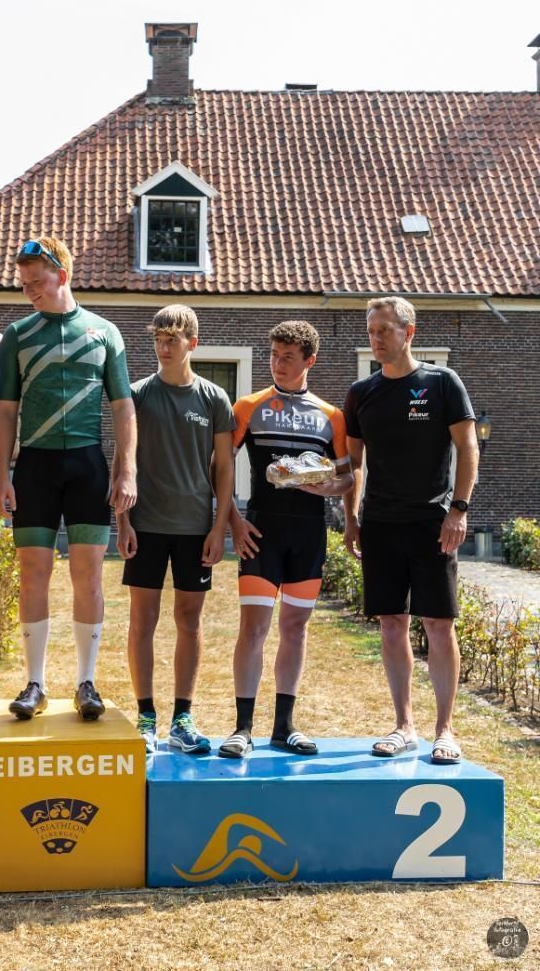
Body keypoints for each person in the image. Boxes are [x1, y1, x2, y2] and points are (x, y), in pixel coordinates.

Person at [0, 237, 137, 722]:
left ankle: (86, 681)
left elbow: (123, 406)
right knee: (34, 571)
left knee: (89, 574)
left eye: (38, 281)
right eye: (25, 284)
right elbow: (7, 410)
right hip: (34, 464)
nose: (30, 290)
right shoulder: (17, 334)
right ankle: (34, 682)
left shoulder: (104, 332)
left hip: (87, 464)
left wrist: (127, 469)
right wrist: (3, 474)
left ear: (63, 275)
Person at [343, 296, 477, 764]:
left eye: (385, 330)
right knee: (392, 624)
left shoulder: (442, 383)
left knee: (439, 624)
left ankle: (445, 730)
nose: (376, 339)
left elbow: (468, 447)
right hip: (380, 524)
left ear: (409, 332)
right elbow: (353, 464)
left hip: (432, 524)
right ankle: (404, 726)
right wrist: (349, 515)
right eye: (372, 330)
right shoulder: (362, 393)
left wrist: (458, 510)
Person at [220, 321, 353, 759]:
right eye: (274, 355)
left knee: (295, 629)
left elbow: (347, 478)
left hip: (309, 534)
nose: (278, 364)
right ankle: (242, 728)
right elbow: (217, 468)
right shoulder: (249, 406)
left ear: (309, 361)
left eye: (288, 357)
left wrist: (321, 486)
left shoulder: (331, 416)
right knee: (253, 629)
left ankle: (284, 726)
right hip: (260, 532)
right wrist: (234, 520)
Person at [115, 305, 234, 754]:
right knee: (142, 620)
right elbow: (122, 462)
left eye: (173, 340)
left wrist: (219, 526)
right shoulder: (138, 395)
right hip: (145, 525)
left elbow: (224, 469)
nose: (164, 348)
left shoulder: (214, 399)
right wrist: (122, 520)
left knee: (190, 620)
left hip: (194, 528)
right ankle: (146, 717)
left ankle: (183, 717)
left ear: (193, 344)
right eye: (159, 340)